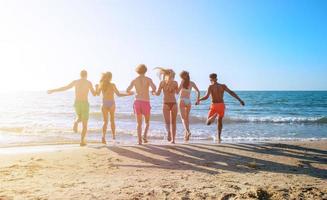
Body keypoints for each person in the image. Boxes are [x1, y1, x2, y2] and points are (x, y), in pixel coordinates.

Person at [47, 70, 96, 146]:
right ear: (86, 75)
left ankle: (76, 122)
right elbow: (94, 94)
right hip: (85, 103)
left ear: (80, 75)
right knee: (85, 124)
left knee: (79, 117)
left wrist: (53, 90)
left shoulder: (75, 82)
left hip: (77, 103)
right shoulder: (89, 83)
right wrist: (97, 87)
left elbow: (65, 88)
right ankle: (82, 141)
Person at [197, 73, 245, 143]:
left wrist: (199, 100)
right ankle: (219, 137)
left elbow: (206, 97)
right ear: (216, 78)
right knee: (220, 121)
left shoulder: (210, 86)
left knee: (208, 122)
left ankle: (214, 115)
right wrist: (240, 100)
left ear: (210, 79)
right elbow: (231, 93)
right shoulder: (223, 86)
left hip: (214, 105)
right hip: (221, 105)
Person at [96, 72, 133, 144]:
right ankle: (113, 136)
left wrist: (96, 87)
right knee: (112, 120)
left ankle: (103, 137)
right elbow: (118, 94)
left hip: (104, 103)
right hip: (111, 103)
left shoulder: (101, 84)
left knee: (105, 122)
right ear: (110, 77)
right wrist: (128, 94)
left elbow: (97, 94)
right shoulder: (112, 85)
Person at [126, 64, 156, 145]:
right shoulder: (148, 79)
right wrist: (152, 91)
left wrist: (132, 92)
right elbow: (154, 88)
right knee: (147, 122)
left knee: (139, 123)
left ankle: (139, 141)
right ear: (145, 70)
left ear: (137, 71)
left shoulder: (134, 80)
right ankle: (145, 136)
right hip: (146, 102)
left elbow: (127, 90)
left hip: (137, 101)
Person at [155, 67, 179, 144]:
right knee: (174, 122)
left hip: (166, 103)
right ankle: (173, 140)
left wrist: (153, 93)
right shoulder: (175, 83)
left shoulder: (162, 83)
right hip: (174, 103)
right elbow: (177, 92)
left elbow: (158, 94)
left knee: (167, 122)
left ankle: (168, 132)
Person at [177, 71, 200, 141]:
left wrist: (174, 88)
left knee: (183, 119)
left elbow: (177, 92)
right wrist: (197, 100)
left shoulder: (182, 81)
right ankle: (186, 136)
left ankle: (188, 131)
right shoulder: (192, 83)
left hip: (182, 100)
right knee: (187, 118)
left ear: (183, 76)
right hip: (188, 101)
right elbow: (198, 91)